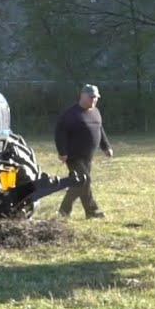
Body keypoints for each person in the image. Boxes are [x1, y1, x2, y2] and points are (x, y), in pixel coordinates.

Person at [54, 83, 114, 219]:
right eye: (91, 97)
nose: (94, 100)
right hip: (74, 156)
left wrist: (106, 147)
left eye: (96, 97)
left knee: (80, 183)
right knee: (84, 181)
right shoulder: (71, 114)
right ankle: (89, 211)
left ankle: (67, 212)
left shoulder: (96, 112)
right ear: (82, 96)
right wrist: (62, 152)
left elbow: (100, 129)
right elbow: (60, 133)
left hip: (88, 156)